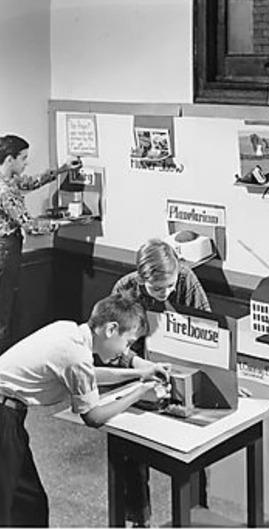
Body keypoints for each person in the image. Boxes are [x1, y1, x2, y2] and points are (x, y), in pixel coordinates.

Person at [0, 293, 170, 527]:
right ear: (111, 329)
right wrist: (140, 391)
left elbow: (85, 376)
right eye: (128, 342)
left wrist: (140, 373)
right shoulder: (76, 355)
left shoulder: (68, 331)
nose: (125, 351)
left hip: (9, 414)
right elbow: (94, 417)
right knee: (11, 507)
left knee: (29, 504)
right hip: (3, 417)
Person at [110, 238, 210, 527]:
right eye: (157, 288)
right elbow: (116, 347)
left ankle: (195, 512)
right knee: (131, 448)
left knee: (194, 444)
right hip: (137, 373)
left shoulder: (188, 279)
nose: (167, 292)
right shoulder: (124, 290)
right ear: (141, 280)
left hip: (183, 369)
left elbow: (207, 328)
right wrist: (143, 370)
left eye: (170, 285)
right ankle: (139, 519)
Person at [0, 134, 82, 353]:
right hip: (5, 251)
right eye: (23, 158)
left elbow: (31, 181)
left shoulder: (9, 181)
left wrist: (62, 168)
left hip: (7, 249)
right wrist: (60, 223)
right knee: (4, 309)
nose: (26, 163)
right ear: (10, 159)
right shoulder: (5, 190)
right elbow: (29, 225)